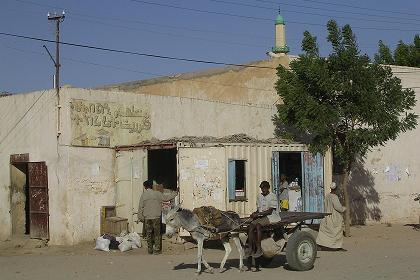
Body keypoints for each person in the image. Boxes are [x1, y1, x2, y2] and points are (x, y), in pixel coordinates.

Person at [138, 179, 178, 255]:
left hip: (147, 217)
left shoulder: (143, 195)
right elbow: (167, 198)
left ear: (145, 187)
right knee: (157, 233)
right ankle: (157, 250)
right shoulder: (157, 194)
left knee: (149, 234)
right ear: (152, 186)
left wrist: (140, 217)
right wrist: (175, 193)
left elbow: (140, 207)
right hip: (156, 217)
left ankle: (150, 250)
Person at [248, 181, 281, 259]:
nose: (263, 190)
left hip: (271, 216)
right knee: (251, 226)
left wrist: (257, 215)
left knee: (258, 226)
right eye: (262, 188)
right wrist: (254, 214)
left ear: (268, 188)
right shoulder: (259, 196)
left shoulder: (272, 196)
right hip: (262, 216)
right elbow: (259, 210)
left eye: (264, 188)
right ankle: (250, 248)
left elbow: (269, 211)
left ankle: (259, 249)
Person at [316, 182, 347, 251]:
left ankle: (320, 244)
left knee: (325, 232)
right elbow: (338, 207)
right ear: (336, 189)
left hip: (327, 216)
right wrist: (344, 208)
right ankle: (338, 247)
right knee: (337, 232)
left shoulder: (327, 196)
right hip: (334, 217)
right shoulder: (334, 197)